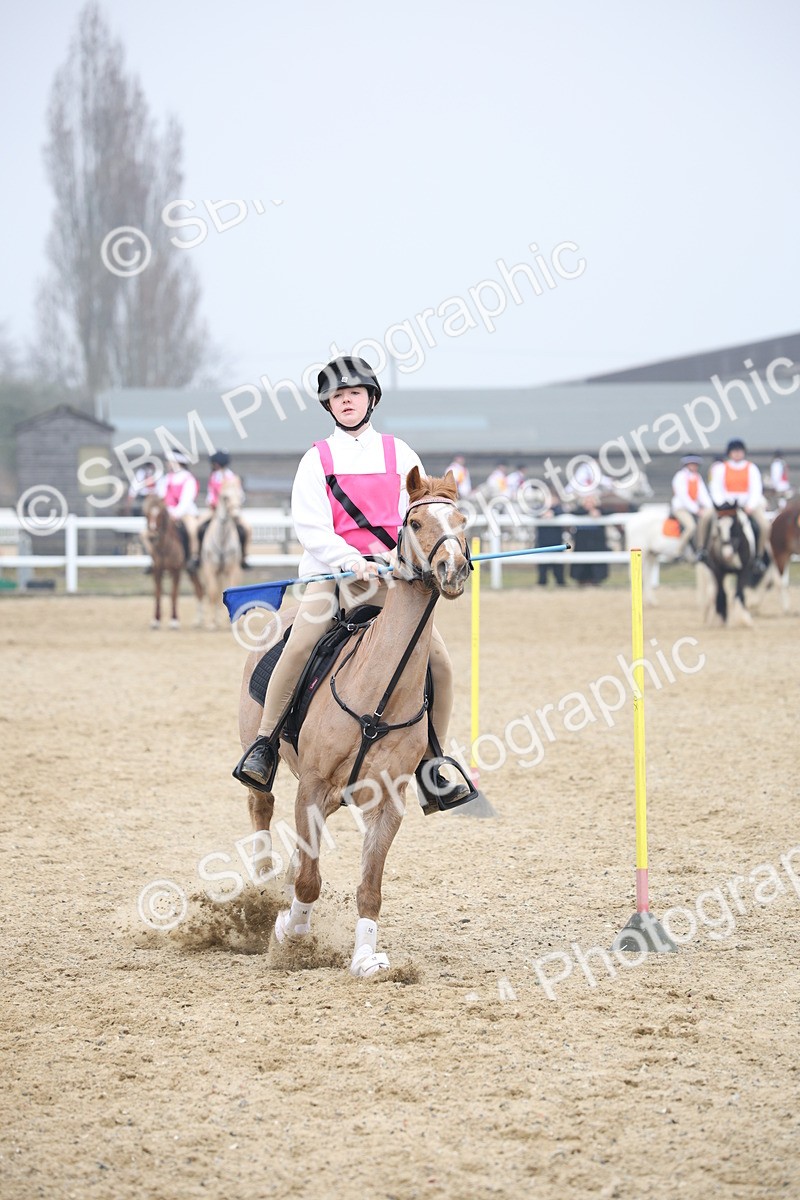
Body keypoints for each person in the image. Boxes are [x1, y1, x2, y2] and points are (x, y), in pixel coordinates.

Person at [236, 355, 474, 811]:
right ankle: (264, 745)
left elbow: (416, 515)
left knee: (440, 662)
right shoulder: (316, 459)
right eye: (338, 396)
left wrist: (398, 558)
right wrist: (350, 559)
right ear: (329, 405)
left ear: (371, 399)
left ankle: (432, 764)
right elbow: (311, 528)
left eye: (355, 394)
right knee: (299, 644)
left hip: (390, 579)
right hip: (332, 576)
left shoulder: (401, 454)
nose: (347, 401)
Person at [699, 438, 770, 566]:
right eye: (734, 451)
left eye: (739, 451)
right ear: (729, 453)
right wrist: (722, 504)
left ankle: (759, 556)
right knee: (705, 518)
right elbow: (715, 488)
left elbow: (756, 489)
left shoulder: (751, 468)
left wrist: (750, 505)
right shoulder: (721, 468)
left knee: (764, 526)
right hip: (725, 506)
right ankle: (702, 549)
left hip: (746, 505)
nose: (737, 454)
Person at [199, 449, 251, 568]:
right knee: (198, 527)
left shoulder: (232, 478)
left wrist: (233, 505)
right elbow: (210, 494)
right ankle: (197, 554)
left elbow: (240, 496)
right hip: (214, 510)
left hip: (230, 511)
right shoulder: (213, 477)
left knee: (247, 529)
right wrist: (212, 502)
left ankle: (244, 556)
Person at [156, 451, 200, 568]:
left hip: (185, 513)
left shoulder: (188, 478)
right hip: (167, 513)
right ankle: (155, 559)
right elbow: (161, 496)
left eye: (170, 461)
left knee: (193, 530)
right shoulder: (166, 478)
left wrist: (176, 514)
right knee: (149, 532)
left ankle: (194, 556)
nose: (167, 464)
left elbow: (186, 500)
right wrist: (167, 511)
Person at [670, 454, 712, 560]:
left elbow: (703, 495)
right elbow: (683, 496)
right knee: (691, 527)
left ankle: (700, 548)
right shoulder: (680, 476)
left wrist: (710, 508)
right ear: (686, 465)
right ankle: (677, 552)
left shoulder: (697, 477)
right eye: (692, 464)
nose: (694, 466)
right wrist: (696, 510)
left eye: (695, 464)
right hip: (681, 508)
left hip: (693, 508)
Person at [569, 495, 609, 587]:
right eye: (587, 501)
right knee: (581, 563)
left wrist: (598, 512)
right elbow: (573, 512)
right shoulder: (579, 511)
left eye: (591, 501)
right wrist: (589, 512)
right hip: (582, 543)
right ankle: (582, 580)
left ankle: (595, 581)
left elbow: (610, 511)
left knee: (597, 563)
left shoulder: (601, 511)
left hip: (597, 543)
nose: (589, 503)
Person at [535, 491, 566, 587]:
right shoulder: (539, 509)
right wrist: (543, 513)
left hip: (556, 542)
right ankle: (542, 582)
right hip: (542, 542)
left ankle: (560, 582)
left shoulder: (559, 510)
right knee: (542, 566)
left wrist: (553, 513)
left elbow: (562, 513)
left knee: (558, 566)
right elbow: (533, 513)